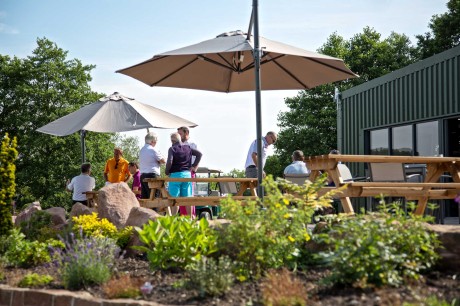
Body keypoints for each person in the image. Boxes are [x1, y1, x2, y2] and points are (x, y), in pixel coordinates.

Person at [165, 132, 202, 217]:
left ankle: (173, 219)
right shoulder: (188, 147)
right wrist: (194, 166)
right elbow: (199, 154)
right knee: (187, 199)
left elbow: (170, 162)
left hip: (175, 176)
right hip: (187, 175)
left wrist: (167, 171)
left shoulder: (172, 149)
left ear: (172, 141)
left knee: (174, 200)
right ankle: (190, 220)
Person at [177, 126, 198, 215]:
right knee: (181, 196)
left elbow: (198, 155)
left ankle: (190, 217)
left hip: (189, 172)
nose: (179, 136)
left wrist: (194, 168)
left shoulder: (191, 144)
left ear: (186, 133)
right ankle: (183, 217)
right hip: (180, 172)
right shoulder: (179, 144)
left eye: (180, 134)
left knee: (188, 195)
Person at [139, 132, 165, 199]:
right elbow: (163, 161)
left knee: (145, 198)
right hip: (152, 176)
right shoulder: (153, 149)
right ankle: (154, 210)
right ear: (152, 141)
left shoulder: (141, 150)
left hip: (143, 176)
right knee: (154, 199)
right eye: (156, 141)